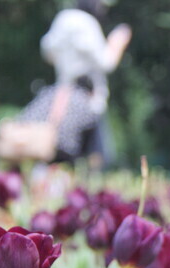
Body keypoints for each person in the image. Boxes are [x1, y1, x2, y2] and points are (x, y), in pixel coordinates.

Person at [18, 2, 131, 166]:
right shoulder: (87, 23)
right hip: (88, 99)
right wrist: (117, 43)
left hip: (62, 97)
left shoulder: (64, 18)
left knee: (59, 150)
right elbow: (106, 62)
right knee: (98, 156)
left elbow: (47, 51)